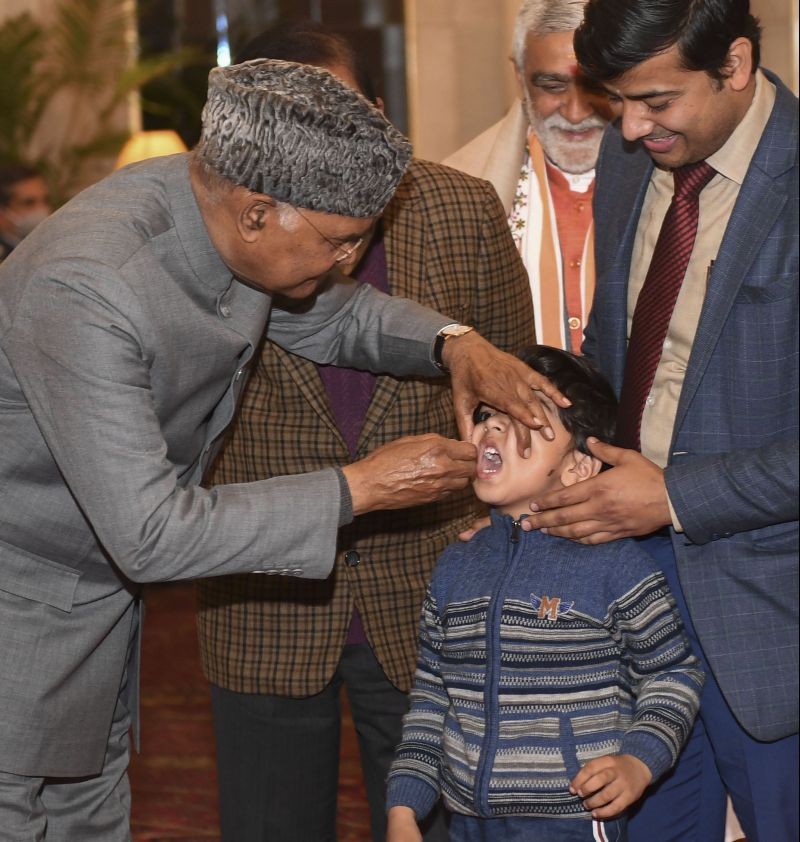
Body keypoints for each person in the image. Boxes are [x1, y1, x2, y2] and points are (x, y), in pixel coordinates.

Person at [0, 59, 569, 840]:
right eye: (340, 242)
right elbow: (152, 532)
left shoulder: (214, 211)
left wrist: (452, 343)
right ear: (259, 213)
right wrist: (359, 488)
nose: (346, 262)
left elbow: (340, 317)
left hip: (90, 615)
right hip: (21, 620)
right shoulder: (88, 287)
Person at [195, 23, 535, 842]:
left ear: (377, 117)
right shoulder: (219, 229)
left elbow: (508, 378)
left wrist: (499, 524)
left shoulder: (460, 206)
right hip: (262, 593)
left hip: (434, 586)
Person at [526, 1, 799, 840]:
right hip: (629, 586)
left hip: (767, 606)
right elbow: (617, 348)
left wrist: (675, 498)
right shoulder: (627, 160)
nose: (633, 127)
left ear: (737, 64)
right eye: (619, 100)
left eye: (657, 101)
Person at [385, 345, 704, 842]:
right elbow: (432, 696)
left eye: (526, 418)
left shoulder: (615, 565)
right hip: (466, 817)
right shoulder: (456, 565)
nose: (492, 426)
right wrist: (405, 807)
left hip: (571, 817)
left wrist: (640, 760)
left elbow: (673, 675)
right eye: (488, 413)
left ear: (578, 468)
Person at [444, 0, 612, 353]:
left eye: (594, 85)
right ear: (520, 76)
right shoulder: (459, 186)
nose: (576, 112)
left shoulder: (671, 177)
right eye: (552, 85)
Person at [0, 162, 51, 262]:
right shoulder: (5, 259)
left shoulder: (52, 246)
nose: (41, 209)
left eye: (45, 200)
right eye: (29, 203)